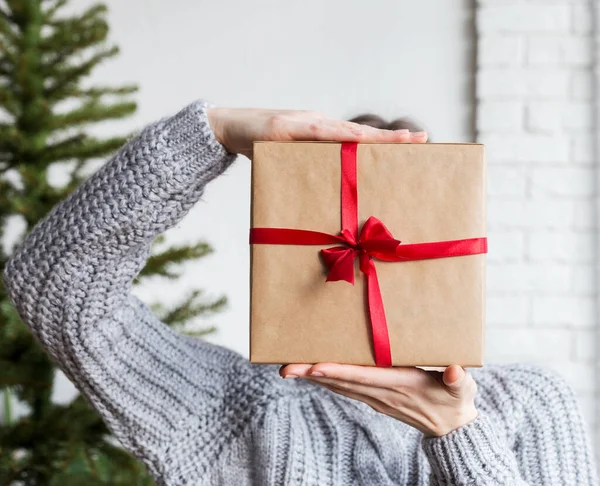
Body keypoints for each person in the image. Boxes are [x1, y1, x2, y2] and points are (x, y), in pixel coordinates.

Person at [3, 101, 597, 486]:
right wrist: (214, 135)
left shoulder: (529, 406)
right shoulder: (243, 411)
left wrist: (459, 434)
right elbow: (53, 286)